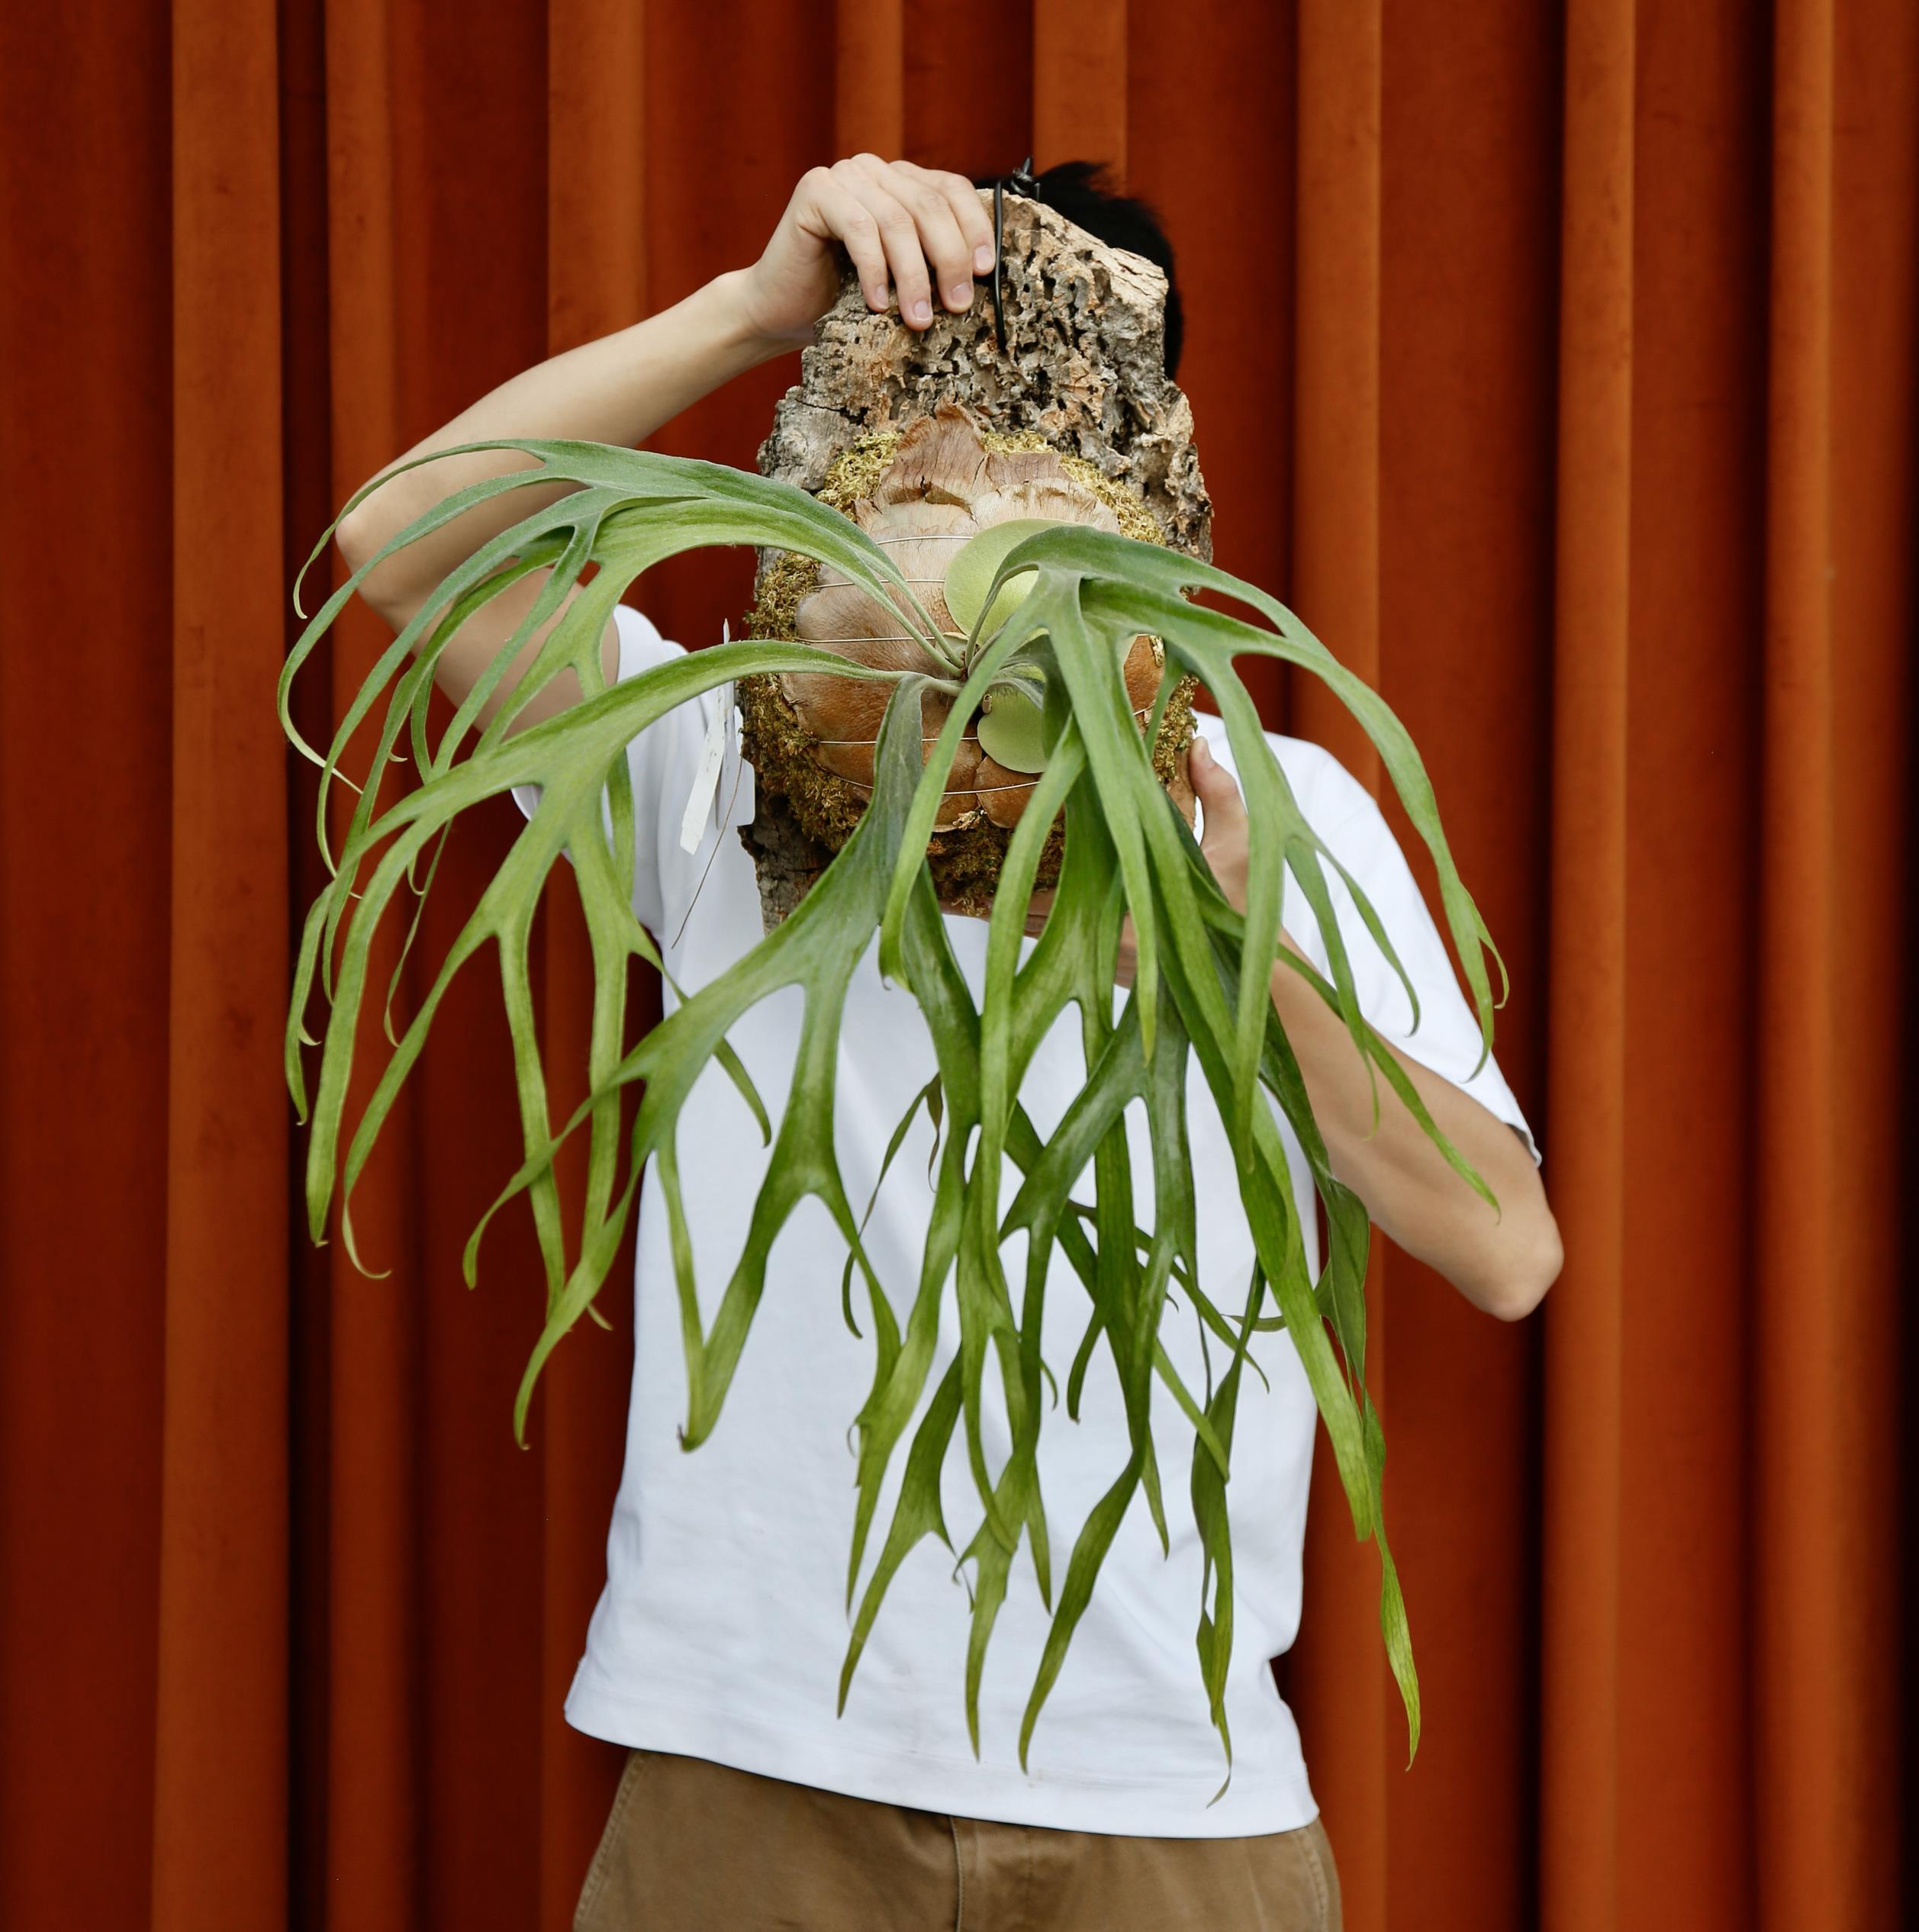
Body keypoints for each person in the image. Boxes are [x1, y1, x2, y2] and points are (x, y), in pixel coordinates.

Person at [333, 153, 1562, 1932]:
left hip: (1168, 1801)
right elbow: (403, 539)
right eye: (916, 382)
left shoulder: (1282, 814)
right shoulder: (710, 774)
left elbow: (1506, 1249)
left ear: (1152, 469)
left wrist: (1237, 940)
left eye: (1043, 408)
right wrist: (752, 304)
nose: (967, 457)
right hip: (752, 1775)